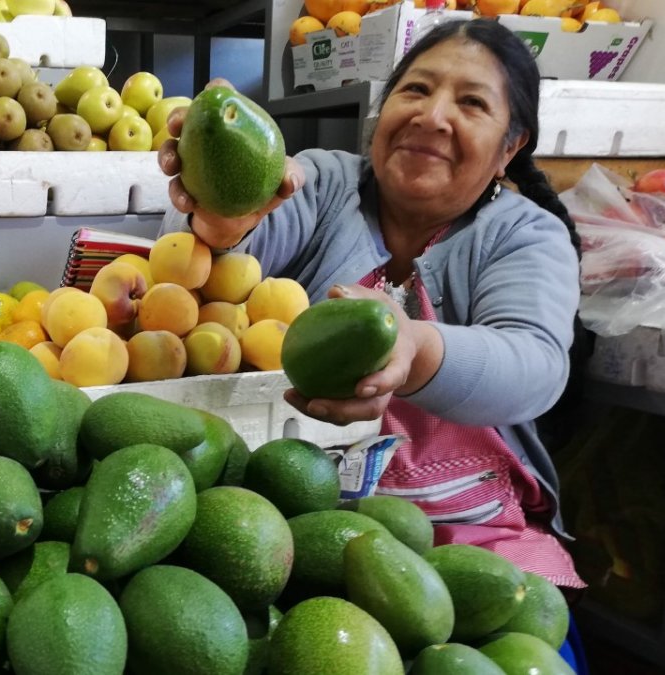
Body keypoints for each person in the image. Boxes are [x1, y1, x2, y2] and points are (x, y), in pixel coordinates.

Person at [158, 19, 587, 591]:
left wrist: (415, 351)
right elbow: (227, 247)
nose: (431, 116)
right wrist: (219, 214)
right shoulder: (329, 182)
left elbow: (533, 366)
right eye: (415, 89)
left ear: (510, 147)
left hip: (471, 535)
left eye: (471, 103)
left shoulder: (524, 234)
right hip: (298, 517)